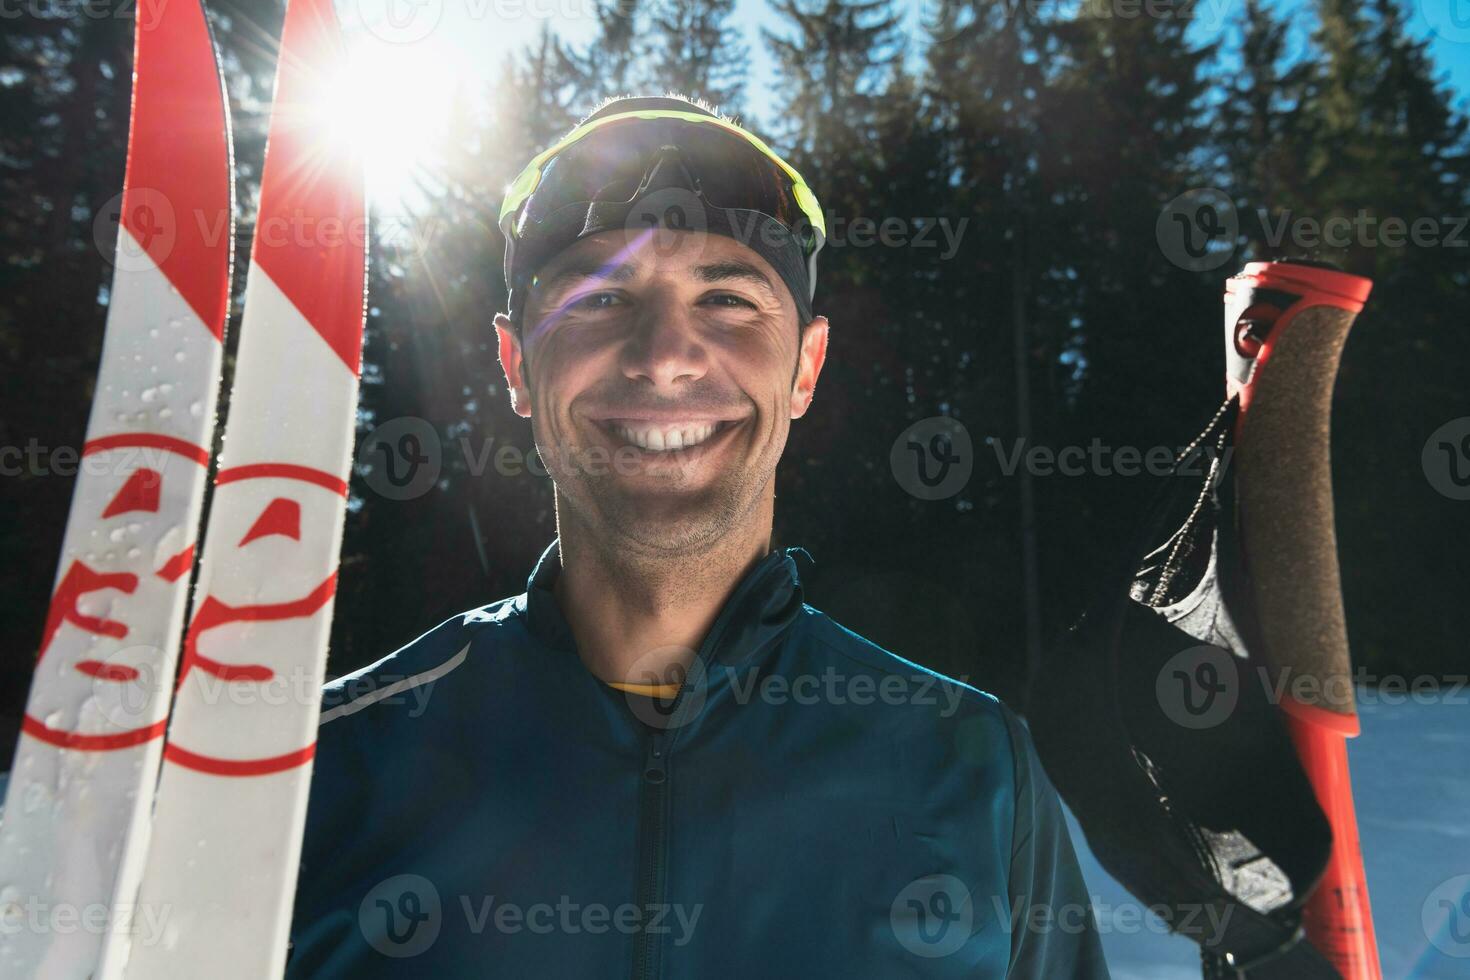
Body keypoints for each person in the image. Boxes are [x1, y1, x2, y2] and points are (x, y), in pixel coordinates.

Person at [285, 94, 1109, 979]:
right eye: (600, 296)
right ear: (518, 366)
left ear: (806, 368)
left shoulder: (973, 768)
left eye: (727, 297)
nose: (665, 355)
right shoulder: (321, 765)